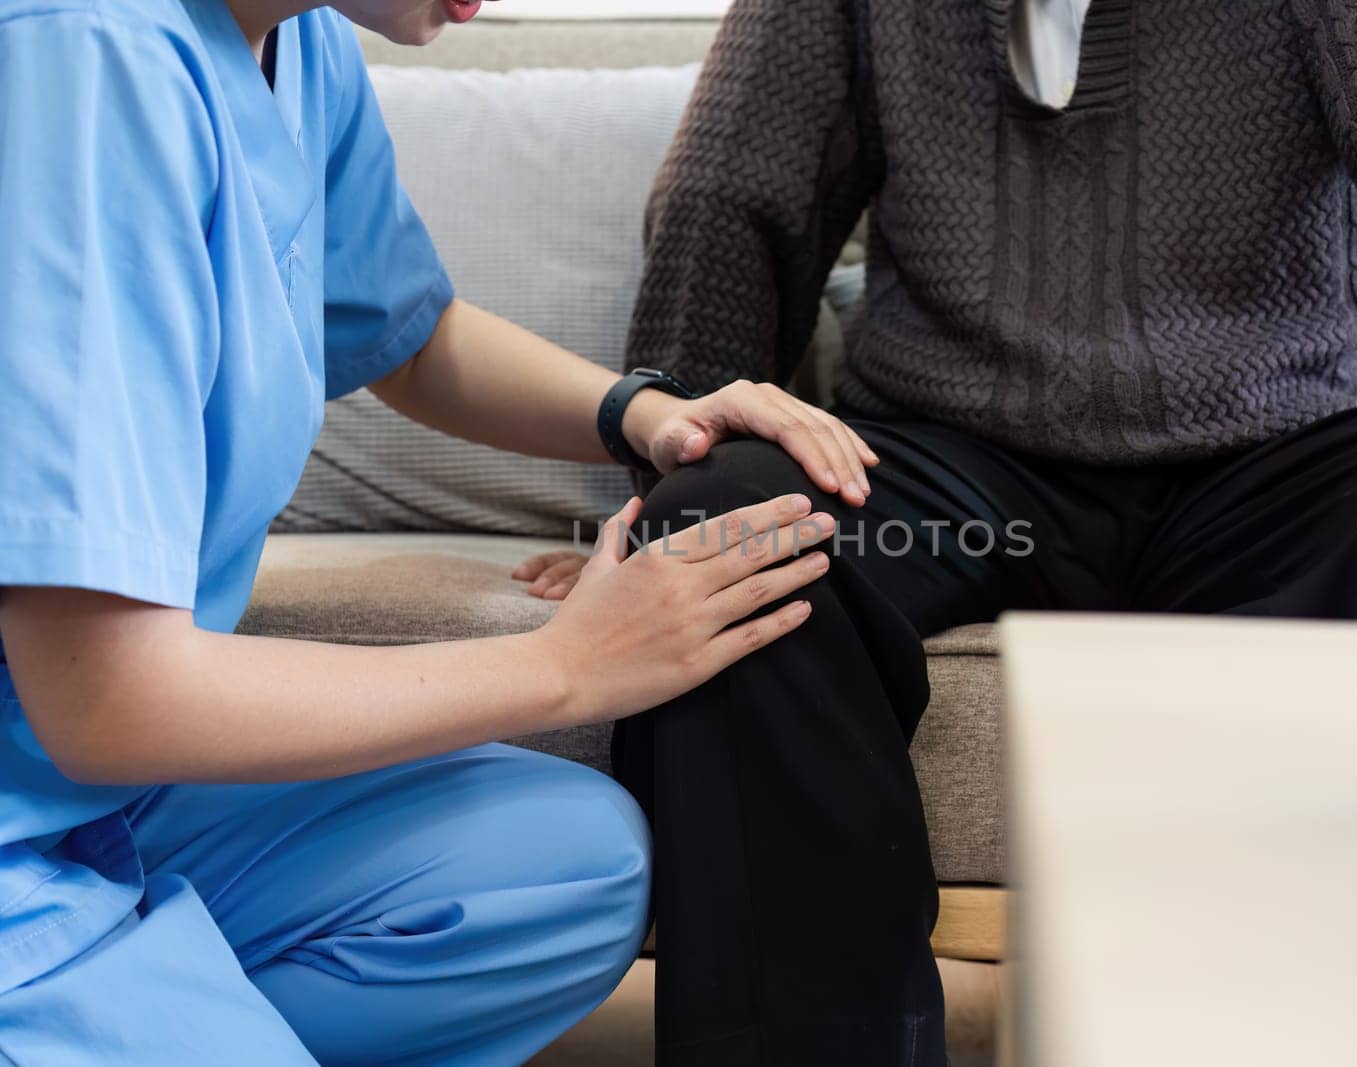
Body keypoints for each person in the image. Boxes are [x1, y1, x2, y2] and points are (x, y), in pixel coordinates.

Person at [515, 0, 1357, 1062]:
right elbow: (732, 198)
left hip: (1282, 446)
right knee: (721, 538)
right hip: (953, 449)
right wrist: (664, 469)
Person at [0, 0, 872, 1062]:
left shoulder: (299, 41)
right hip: (37, 801)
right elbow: (104, 695)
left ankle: (143, 998)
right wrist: (566, 666)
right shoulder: (85, 61)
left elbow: (404, 336)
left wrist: (644, 412)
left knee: (567, 861)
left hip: (106, 793)